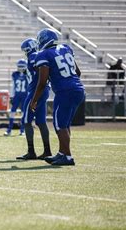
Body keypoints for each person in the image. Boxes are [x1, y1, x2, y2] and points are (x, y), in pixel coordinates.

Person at [30, 28, 85, 166]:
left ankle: (67, 156)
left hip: (65, 91)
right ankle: (62, 153)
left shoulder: (43, 54)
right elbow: (78, 72)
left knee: (59, 124)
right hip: (78, 88)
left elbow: (42, 82)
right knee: (64, 124)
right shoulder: (66, 48)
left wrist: (34, 100)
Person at [16, 38, 52, 160]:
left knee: (26, 121)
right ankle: (47, 151)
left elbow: (41, 73)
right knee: (41, 122)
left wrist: (35, 95)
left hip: (35, 92)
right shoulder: (39, 55)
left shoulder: (33, 56)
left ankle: (31, 151)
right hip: (44, 90)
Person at [5, 59, 29, 136]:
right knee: (12, 112)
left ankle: (22, 130)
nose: (20, 68)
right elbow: (13, 86)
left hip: (24, 96)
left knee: (23, 113)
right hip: (17, 95)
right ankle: (9, 129)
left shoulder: (28, 74)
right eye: (19, 66)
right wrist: (11, 96)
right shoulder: (15, 74)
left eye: (22, 66)